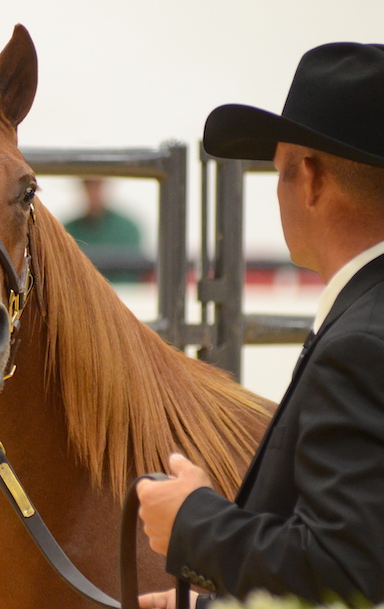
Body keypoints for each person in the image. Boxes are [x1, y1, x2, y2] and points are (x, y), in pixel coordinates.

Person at [136, 42, 384, 608]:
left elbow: (344, 571)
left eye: (279, 172)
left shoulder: (360, 344)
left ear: (312, 180)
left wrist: (194, 521)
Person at [63, 178, 147, 281]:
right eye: (89, 185)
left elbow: (133, 276)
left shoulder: (129, 229)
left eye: (98, 185)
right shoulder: (67, 230)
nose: (93, 191)